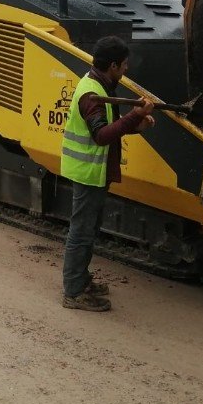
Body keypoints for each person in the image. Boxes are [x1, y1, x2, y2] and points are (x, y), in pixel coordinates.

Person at [60, 36, 155, 311]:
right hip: (88, 172)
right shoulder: (91, 95)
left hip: (94, 171)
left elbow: (110, 127)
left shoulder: (99, 84)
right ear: (113, 65)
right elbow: (101, 135)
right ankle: (74, 292)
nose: (126, 69)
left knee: (88, 231)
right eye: (124, 65)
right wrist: (134, 116)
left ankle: (81, 280)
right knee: (80, 233)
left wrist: (136, 125)